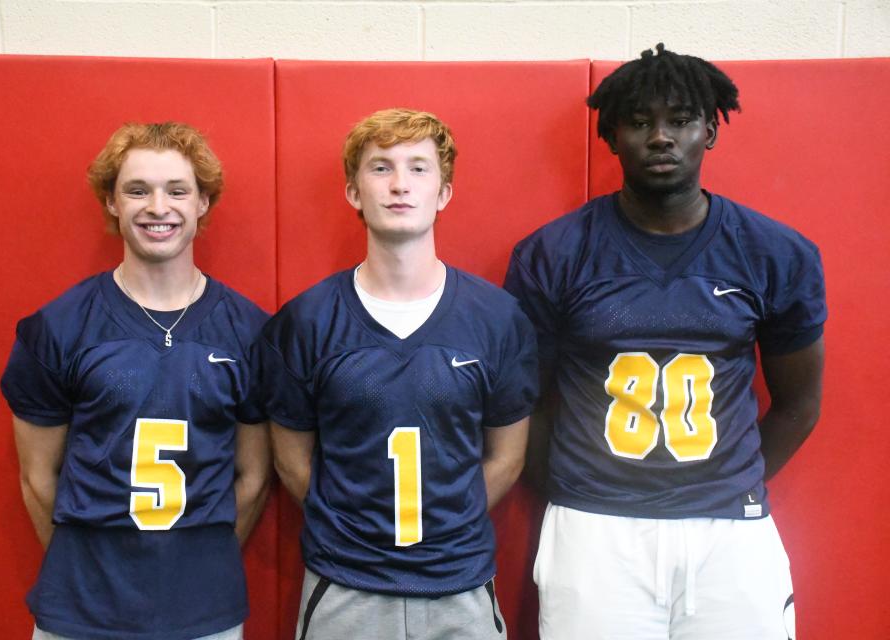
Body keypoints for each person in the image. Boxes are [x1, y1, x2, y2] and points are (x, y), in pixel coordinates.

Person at [505, 44, 825, 640]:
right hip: (595, 525)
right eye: (640, 121)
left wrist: (731, 480)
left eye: (679, 120)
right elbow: (524, 404)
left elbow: (800, 403)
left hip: (728, 527)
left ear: (710, 131)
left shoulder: (775, 253)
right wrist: (581, 490)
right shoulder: (553, 253)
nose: (660, 138)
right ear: (612, 135)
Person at [260, 108, 538, 640]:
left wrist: (447, 523)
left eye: (418, 168)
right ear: (353, 192)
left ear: (444, 192)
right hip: (345, 585)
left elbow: (507, 456)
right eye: (381, 168)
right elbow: (292, 462)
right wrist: (353, 530)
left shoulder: (498, 318)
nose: (399, 185)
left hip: (459, 584)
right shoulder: (306, 321)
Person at [1, 122, 271, 640]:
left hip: (202, 611)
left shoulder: (250, 331)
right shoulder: (58, 327)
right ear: (111, 202)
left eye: (177, 190)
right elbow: (38, 478)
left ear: (202, 203)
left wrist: (189, 570)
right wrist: (89, 574)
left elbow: (254, 478)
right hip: (80, 610)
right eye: (137, 190)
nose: (157, 207)